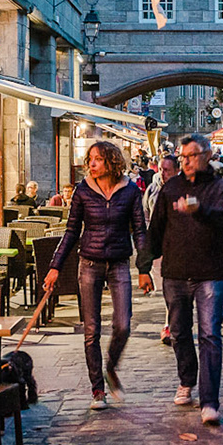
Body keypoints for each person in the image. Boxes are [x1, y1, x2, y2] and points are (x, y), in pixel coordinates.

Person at [42, 140, 154, 410]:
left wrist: (144, 269)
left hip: (118, 264)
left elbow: (139, 230)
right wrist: (55, 266)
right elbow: (71, 231)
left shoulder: (129, 191)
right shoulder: (82, 191)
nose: (91, 164)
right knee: (91, 330)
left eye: (97, 159)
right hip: (89, 263)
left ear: (112, 162)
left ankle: (111, 368)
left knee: (123, 325)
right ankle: (97, 391)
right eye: (90, 159)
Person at [148, 134, 223, 425]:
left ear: (207, 155)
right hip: (175, 271)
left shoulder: (222, 186)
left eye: (191, 155)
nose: (185, 161)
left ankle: (210, 401)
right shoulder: (171, 188)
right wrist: (144, 265)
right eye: (182, 156)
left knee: (210, 335)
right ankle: (187, 379)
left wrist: (200, 209)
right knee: (179, 333)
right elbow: (157, 226)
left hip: (209, 272)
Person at [146, 153, 181, 344]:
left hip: (178, 249)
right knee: (168, 290)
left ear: (177, 170)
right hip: (160, 247)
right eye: (160, 169)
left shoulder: (184, 190)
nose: (162, 173)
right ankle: (172, 323)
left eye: (166, 170)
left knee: (175, 291)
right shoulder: (153, 189)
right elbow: (145, 213)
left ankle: (170, 325)